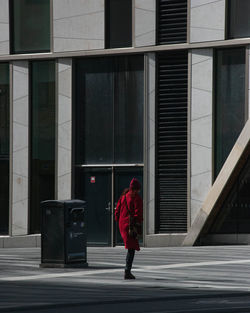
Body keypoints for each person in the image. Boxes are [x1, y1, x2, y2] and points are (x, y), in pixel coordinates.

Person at [115, 178, 143, 279]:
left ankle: (128, 271)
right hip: (130, 225)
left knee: (131, 247)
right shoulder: (136, 198)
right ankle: (127, 271)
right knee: (131, 248)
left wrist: (119, 220)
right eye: (138, 189)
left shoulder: (123, 197)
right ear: (135, 189)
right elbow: (138, 213)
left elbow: (117, 211)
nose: (139, 191)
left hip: (122, 224)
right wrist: (138, 224)